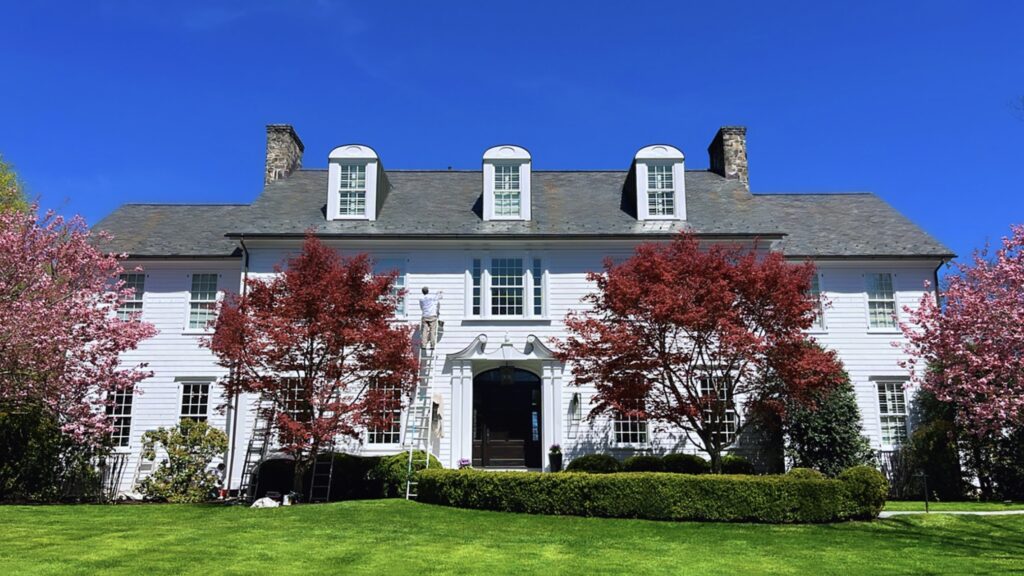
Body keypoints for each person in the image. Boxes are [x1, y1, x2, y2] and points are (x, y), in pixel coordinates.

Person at [419, 286, 442, 352]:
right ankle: (432, 345)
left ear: (422, 292)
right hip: (432, 316)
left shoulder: (421, 299)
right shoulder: (431, 297)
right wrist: (439, 292)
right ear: (428, 291)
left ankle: (423, 345)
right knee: (432, 331)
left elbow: (421, 307)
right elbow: (439, 298)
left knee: (424, 331)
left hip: (425, 316)